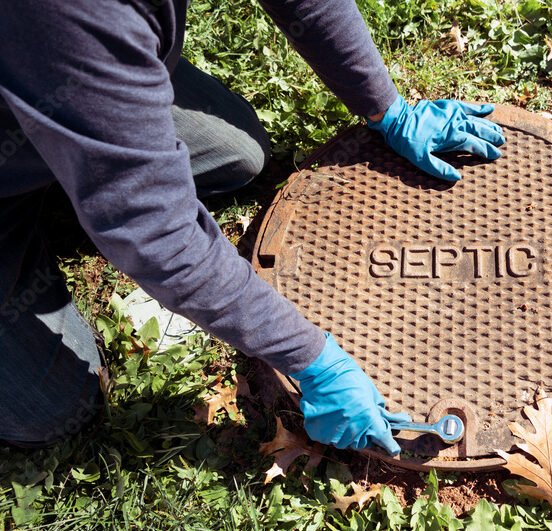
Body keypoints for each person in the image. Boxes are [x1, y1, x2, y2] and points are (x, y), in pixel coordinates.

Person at [0, 0, 505, 453]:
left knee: (238, 156)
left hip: (72, 67)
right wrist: (311, 359)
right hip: (52, 75)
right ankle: (88, 154)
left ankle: (93, 141)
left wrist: (386, 108)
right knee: (54, 408)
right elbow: (159, 234)